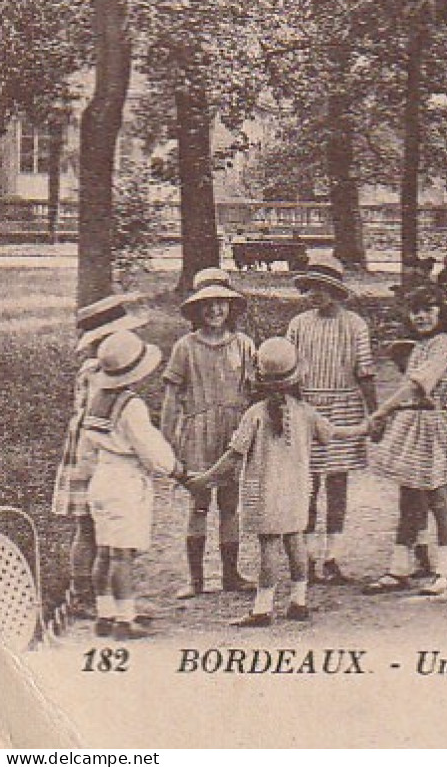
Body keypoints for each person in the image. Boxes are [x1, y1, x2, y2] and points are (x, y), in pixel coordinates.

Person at [190, 338, 371, 626]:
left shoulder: (255, 414)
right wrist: (367, 426)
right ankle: (298, 602)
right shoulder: (305, 412)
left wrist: (206, 478)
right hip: (298, 492)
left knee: (269, 548)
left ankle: (262, 609)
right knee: (295, 542)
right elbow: (335, 434)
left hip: (266, 494)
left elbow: (234, 455)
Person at [78, 331, 191, 640]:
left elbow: (87, 444)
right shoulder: (131, 406)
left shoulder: (96, 398)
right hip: (124, 482)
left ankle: (106, 613)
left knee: (104, 550)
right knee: (121, 554)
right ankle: (125, 620)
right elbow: (150, 447)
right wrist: (176, 469)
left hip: (101, 478)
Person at [360, 286, 447, 596]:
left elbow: (417, 385)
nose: (421, 316)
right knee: (409, 499)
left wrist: (381, 411)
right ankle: (399, 568)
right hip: (413, 423)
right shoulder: (421, 345)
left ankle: (446, 571)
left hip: (432, 423)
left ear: (441, 312)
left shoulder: (444, 344)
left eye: (429, 309)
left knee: (438, 497)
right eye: (415, 310)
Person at [161, 268, 257, 599]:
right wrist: (167, 443)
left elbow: (257, 391)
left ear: (231, 307)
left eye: (221, 303)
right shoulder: (184, 347)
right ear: (196, 310)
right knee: (199, 504)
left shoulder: (244, 345)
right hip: (198, 433)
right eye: (207, 304)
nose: (215, 310)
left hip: (232, 433)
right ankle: (196, 580)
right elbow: (172, 398)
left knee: (230, 505)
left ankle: (231, 575)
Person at [54, 293, 148, 617]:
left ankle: (102, 592)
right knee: (91, 527)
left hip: (91, 444)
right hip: (93, 449)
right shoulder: (97, 371)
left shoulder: (96, 368)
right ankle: (83, 592)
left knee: (98, 527)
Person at [284, 261, 377, 585]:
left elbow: (365, 372)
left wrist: (374, 415)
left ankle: (333, 557)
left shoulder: (354, 325)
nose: (315, 294)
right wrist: (290, 411)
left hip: (345, 406)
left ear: (336, 292)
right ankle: (307, 558)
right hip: (307, 407)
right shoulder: (298, 324)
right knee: (307, 485)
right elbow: (288, 372)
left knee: (337, 485)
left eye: (322, 288)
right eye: (310, 287)